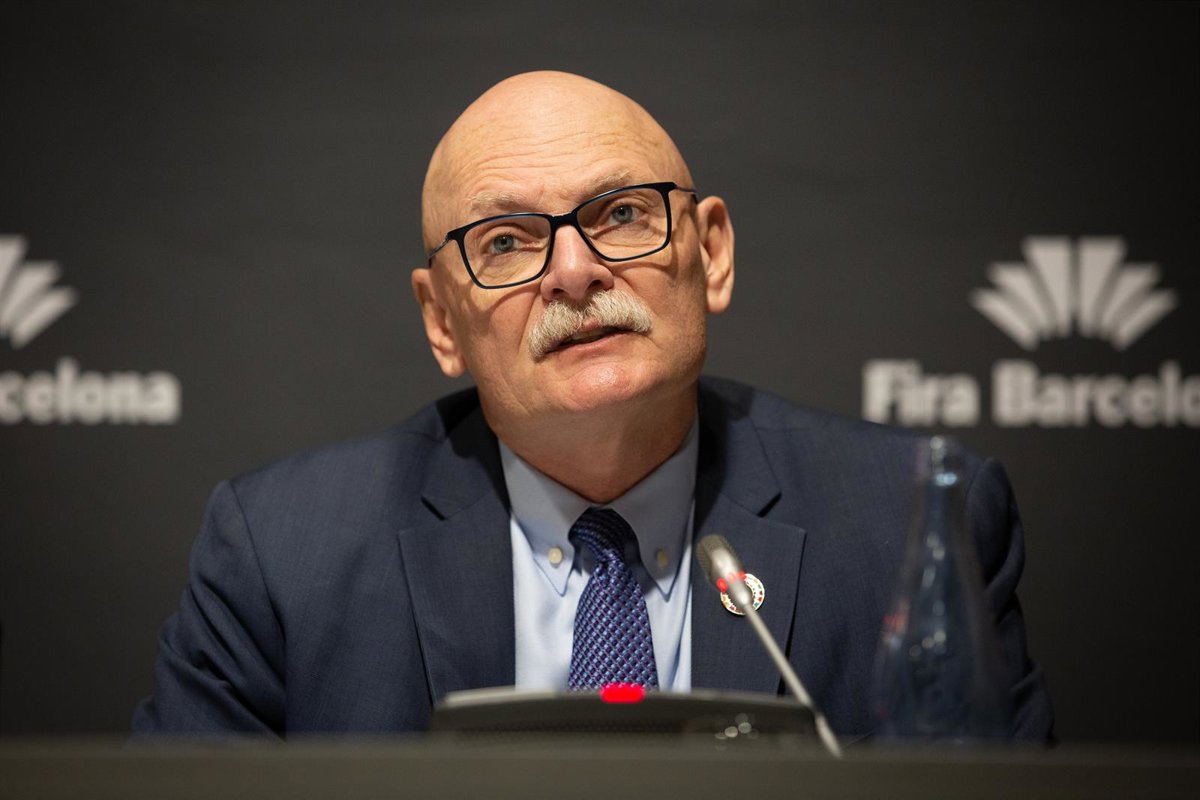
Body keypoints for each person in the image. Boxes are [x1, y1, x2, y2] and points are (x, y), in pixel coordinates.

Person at [133, 71, 1053, 738]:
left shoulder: (912, 524)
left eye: (620, 214)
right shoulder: (283, 554)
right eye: (505, 241)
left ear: (711, 253)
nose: (574, 273)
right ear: (442, 319)